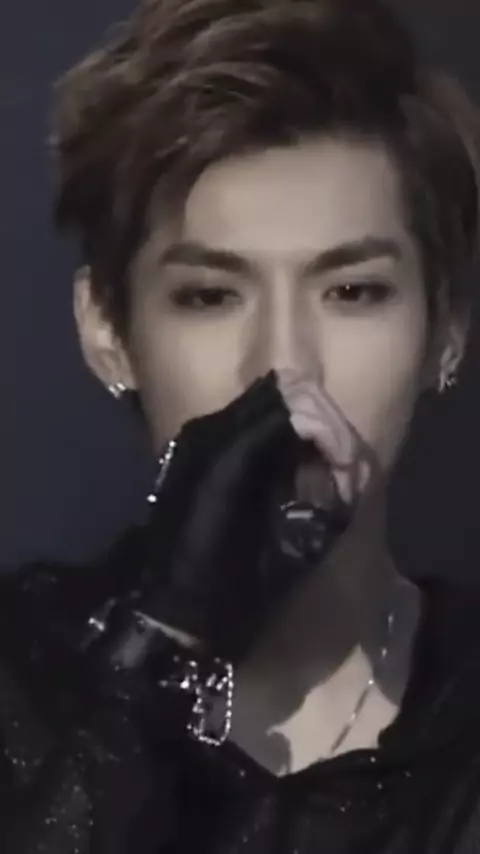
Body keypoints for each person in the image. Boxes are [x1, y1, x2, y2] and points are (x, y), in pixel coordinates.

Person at [2, 0, 480, 851]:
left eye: (353, 291)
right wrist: (169, 634)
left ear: (446, 331)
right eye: (209, 296)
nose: (284, 367)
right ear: (107, 333)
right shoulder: (21, 673)